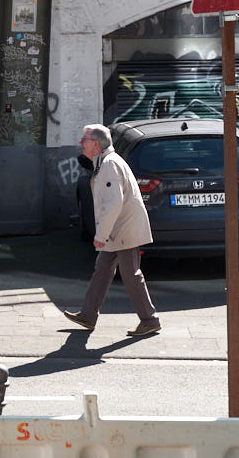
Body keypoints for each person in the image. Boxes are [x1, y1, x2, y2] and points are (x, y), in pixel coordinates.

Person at [64, 124, 161, 337]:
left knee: (131, 274)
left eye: (85, 139)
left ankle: (149, 320)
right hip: (119, 229)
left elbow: (113, 204)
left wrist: (100, 235)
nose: (81, 142)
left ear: (96, 145)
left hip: (123, 229)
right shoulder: (104, 162)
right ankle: (88, 315)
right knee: (103, 270)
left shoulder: (108, 165)